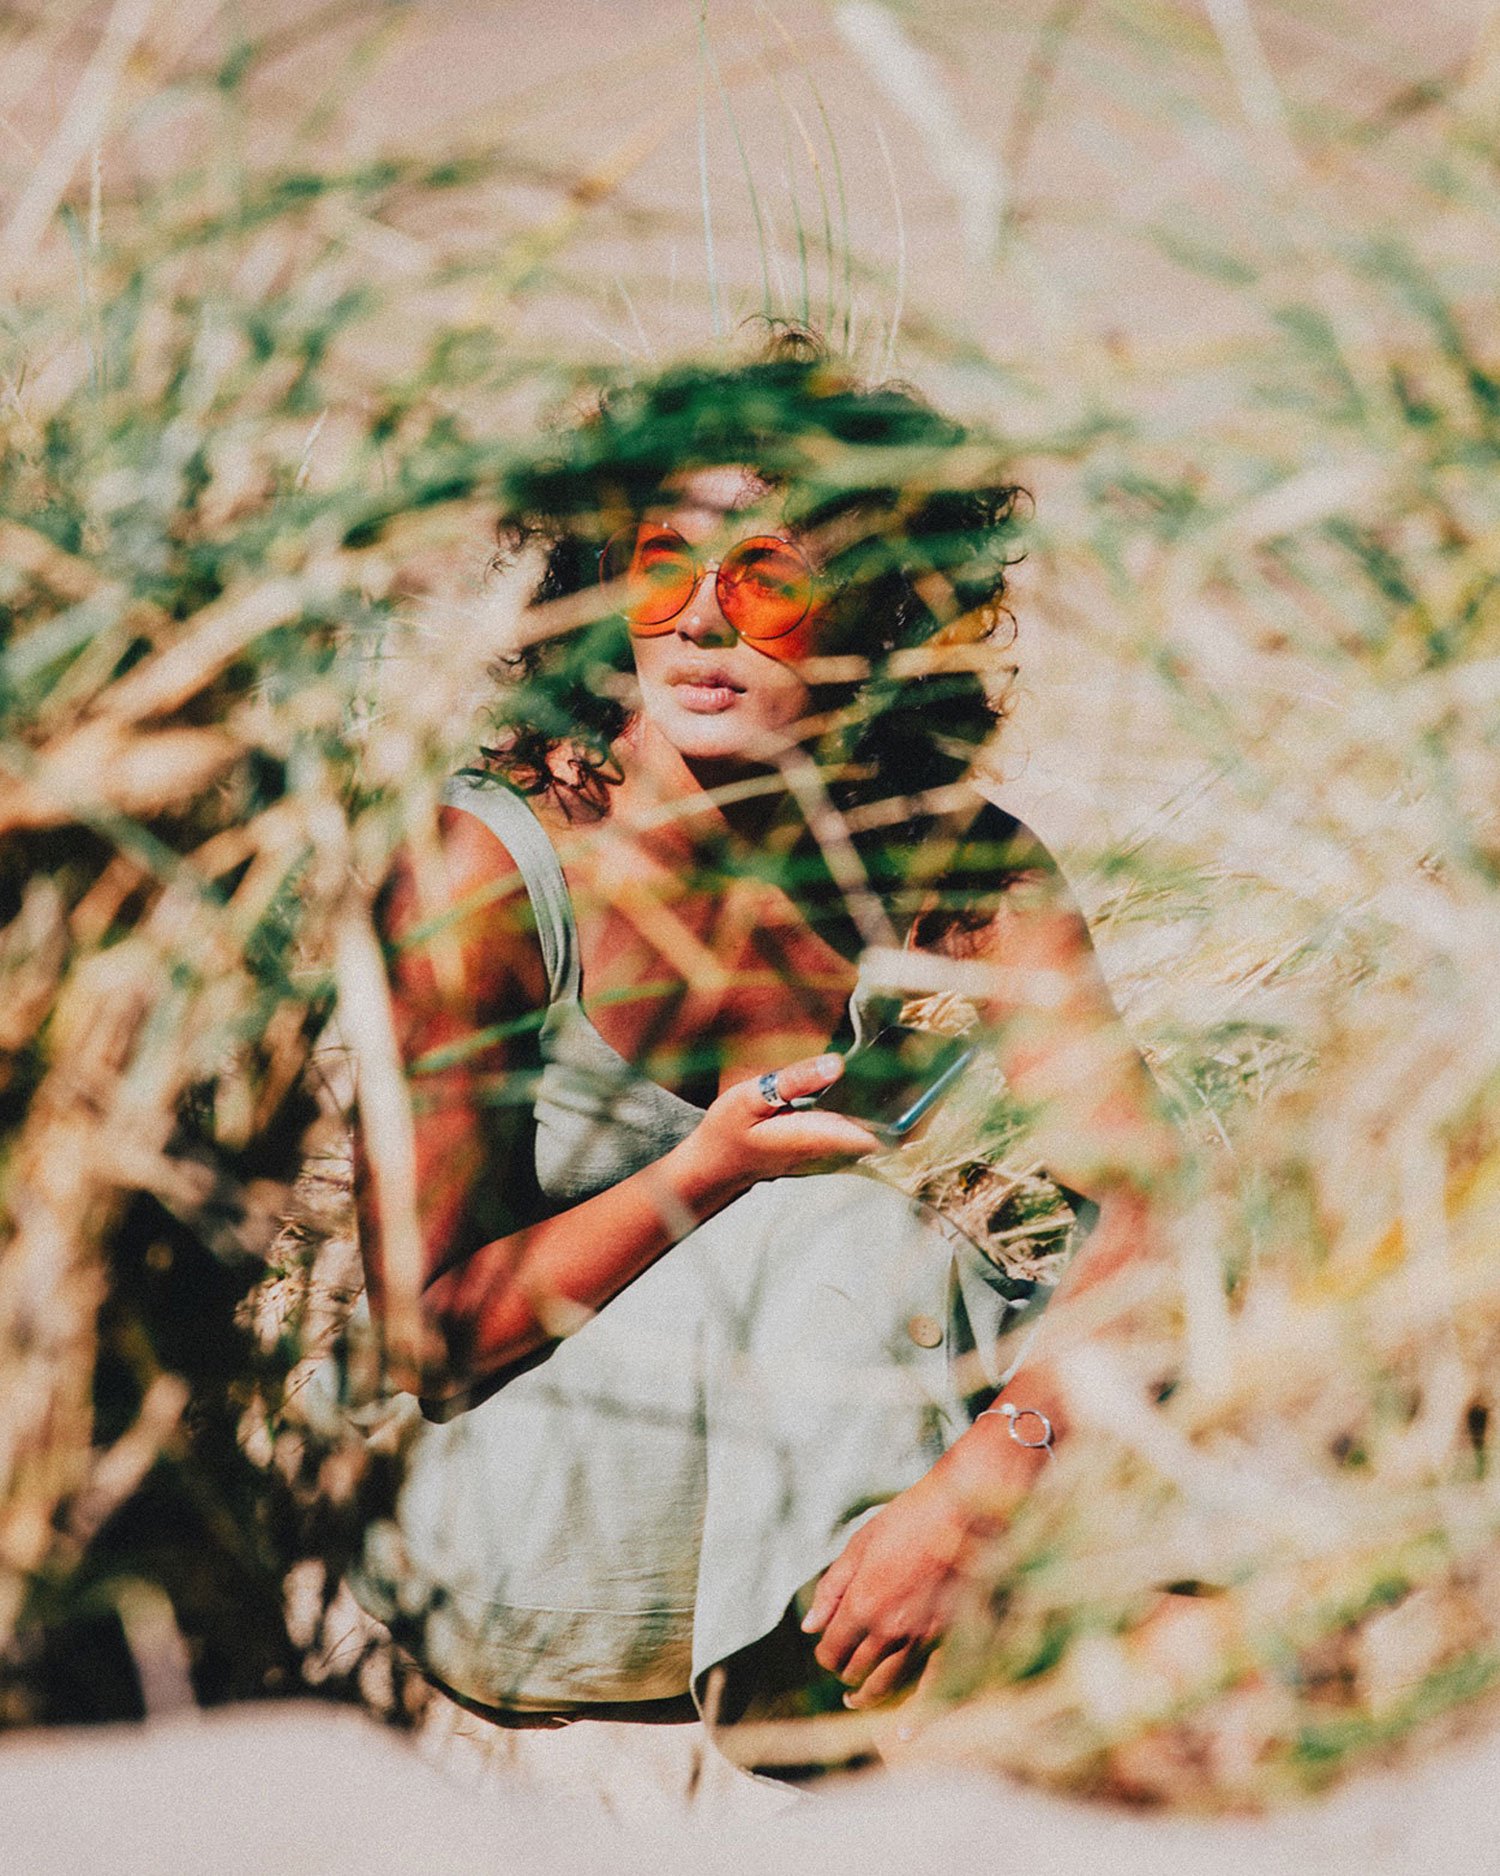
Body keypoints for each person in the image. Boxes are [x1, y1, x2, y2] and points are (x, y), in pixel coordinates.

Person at [340, 333, 1178, 1757]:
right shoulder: (483, 874)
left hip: (816, 1491)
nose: (705, 624)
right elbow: (433, 1341)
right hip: (515, 1537)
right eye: (666, 569)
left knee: (1074, 1309)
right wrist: (707, 1174)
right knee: (870, 1231)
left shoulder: (960, 873)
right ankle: (846, 1728)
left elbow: (1155, 1215)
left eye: (770, 579)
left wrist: (995, 1464)